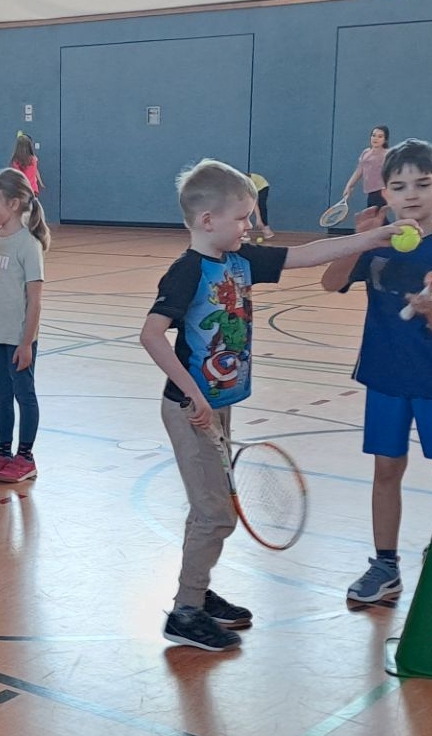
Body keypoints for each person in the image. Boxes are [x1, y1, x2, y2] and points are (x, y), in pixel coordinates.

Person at [139, 158, 416, 651]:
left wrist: (372, 239)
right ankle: (185, 611)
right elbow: (152, 335)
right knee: (214, 513)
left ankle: (196, 594)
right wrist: (196, 396)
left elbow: (308, 255)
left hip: (216, 403)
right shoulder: (187, 272)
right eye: (242, 217)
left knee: (211, 506)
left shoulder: (239, 261)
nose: (250, 226)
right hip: (190, 407)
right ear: (208, 221)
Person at [321, 138, 432, 617]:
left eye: (422, 184)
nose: (411, 194)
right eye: (399, 186)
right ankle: (385, 566)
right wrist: (359, 240)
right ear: (386, 193)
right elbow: (331, 282)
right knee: (386, 471)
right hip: (383, 376)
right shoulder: (376, 240)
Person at [0, 168, 50, 484]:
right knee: (1, 395)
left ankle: (25, 457)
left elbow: (35, 300)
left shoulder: (27, 246)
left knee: (23, 395)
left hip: (18, 339)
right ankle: (4, 453)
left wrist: (27, 342)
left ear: (14, 204)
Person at [342, 125, 390, 211]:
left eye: (380, 136)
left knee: (375, 219)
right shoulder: (366, 152)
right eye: (374, 135)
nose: (376, 138)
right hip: (370, 192)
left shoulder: (387, 154)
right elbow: (359, 171)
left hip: (382, 192)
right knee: (376, 220)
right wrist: (349, 186)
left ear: (385, 139)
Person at [248, 173, 274, 239]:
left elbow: (255, 204)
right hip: (252, 187)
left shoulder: (248, 183)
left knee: (262, 205)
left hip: (262, 186)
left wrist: (258, 219)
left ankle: (266, 229)